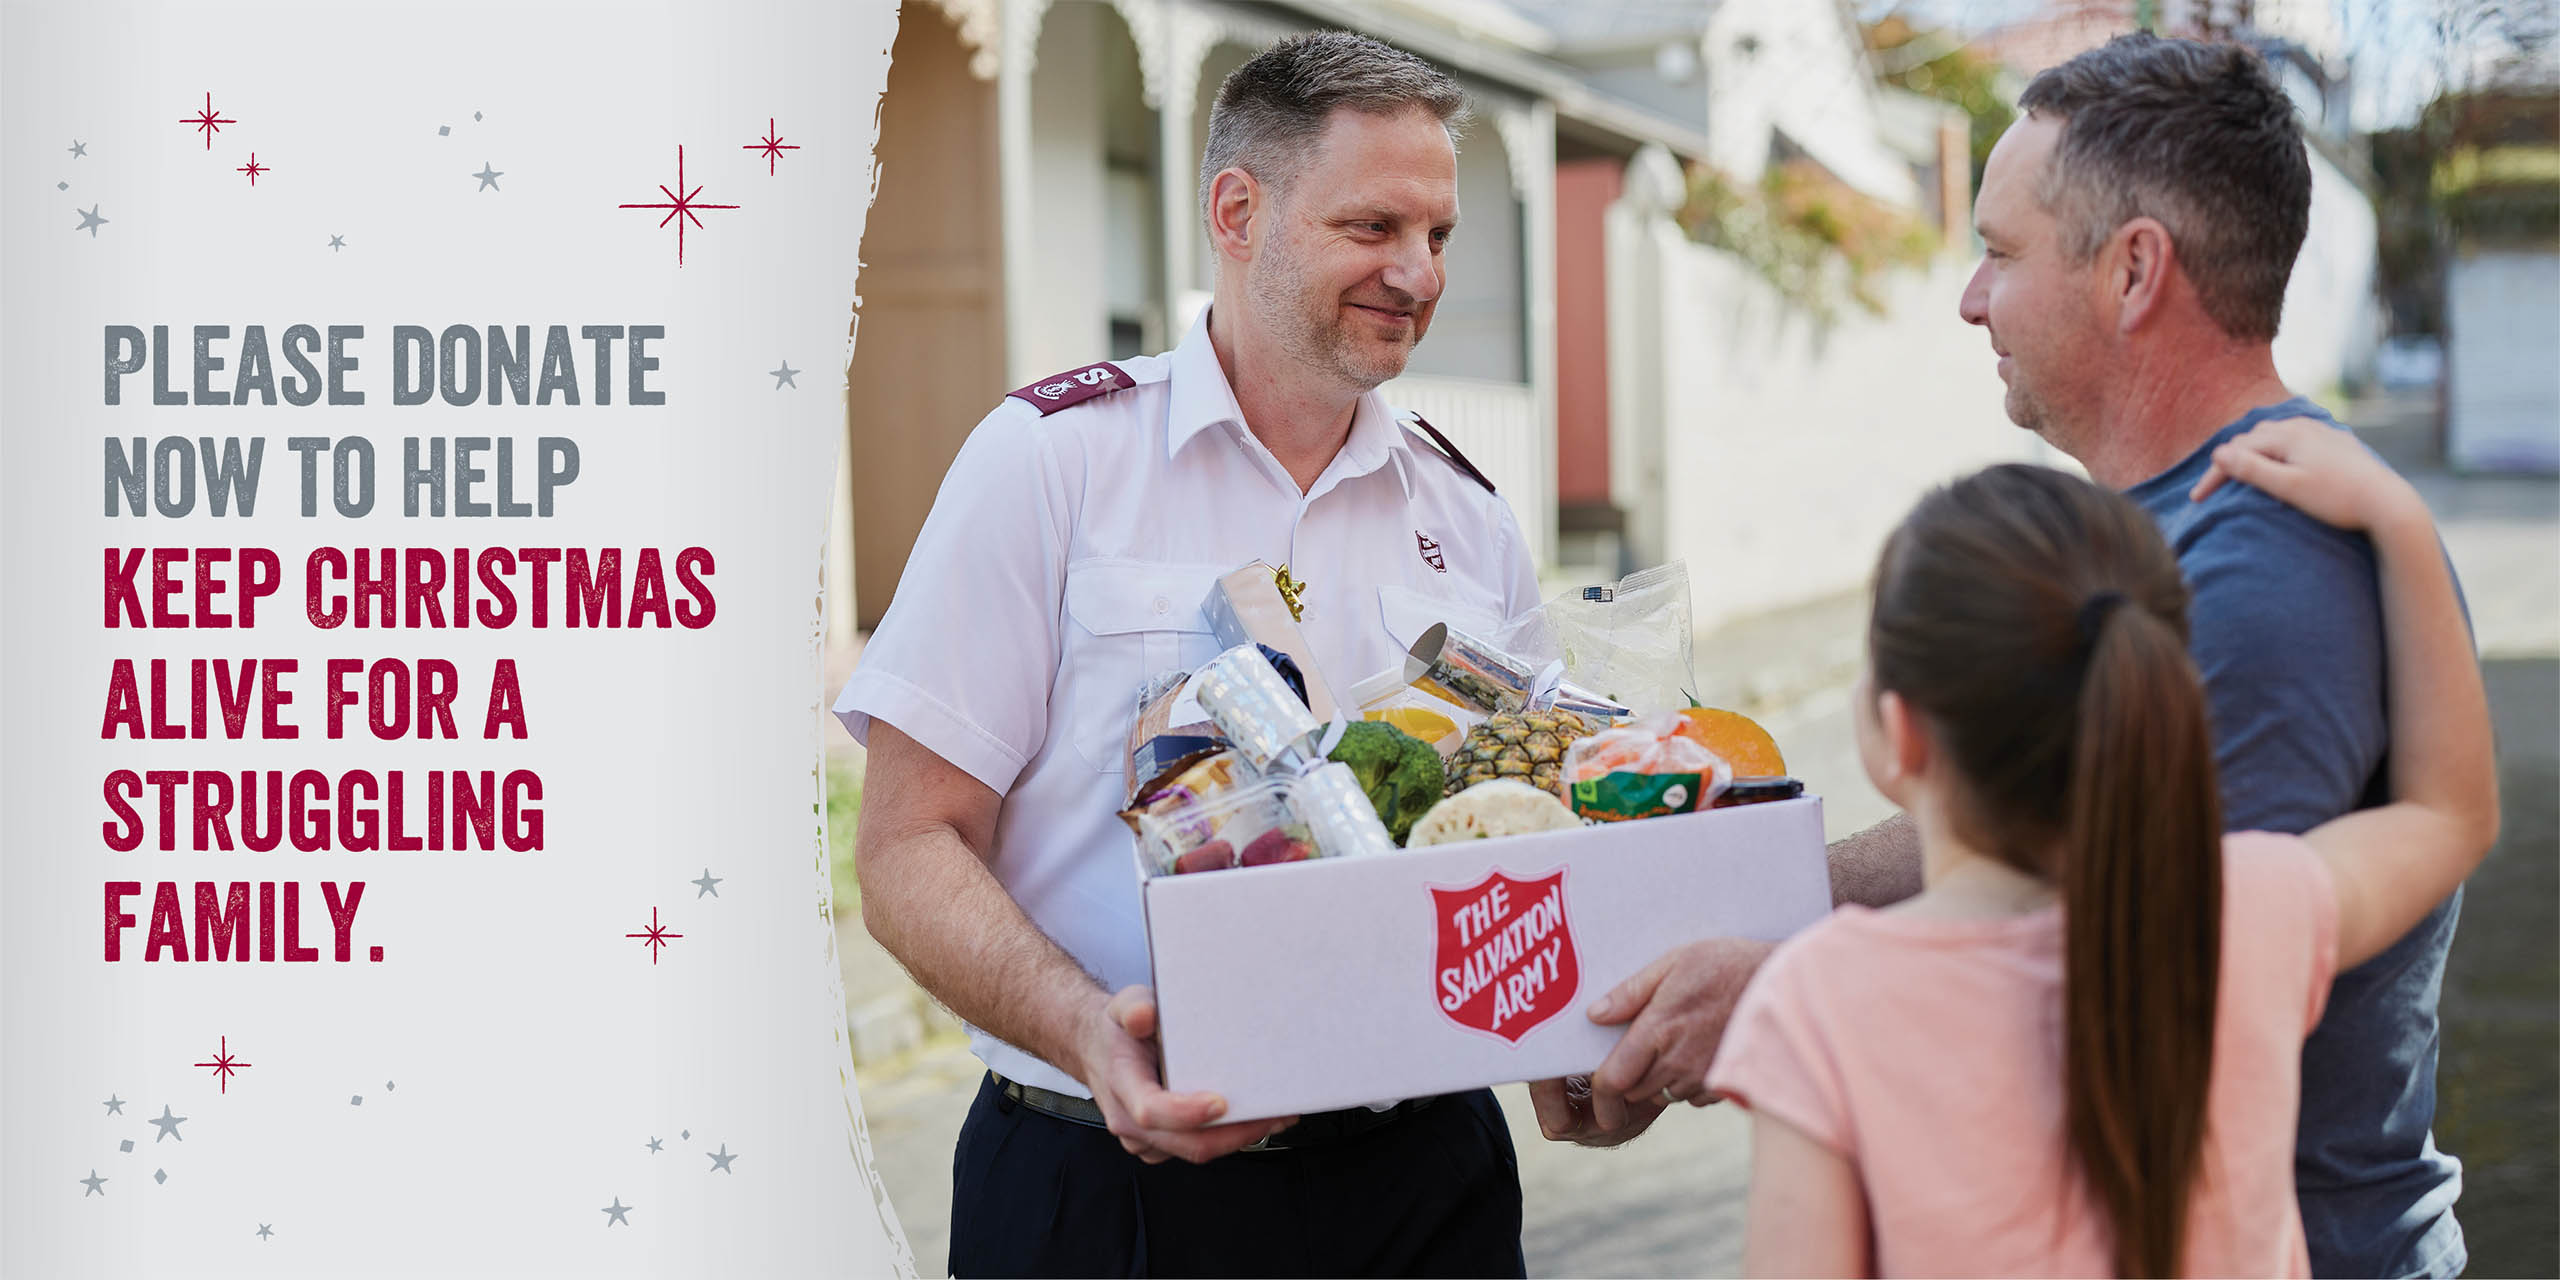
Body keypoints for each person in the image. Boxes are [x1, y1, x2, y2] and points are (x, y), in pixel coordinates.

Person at [1540, 33, 2479, 1278]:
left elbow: (2119, 970)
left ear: (2133, 270)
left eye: (1997, 251)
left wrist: (1775, 1000)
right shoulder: (2134, 547)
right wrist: (1709, 934)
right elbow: (2030, 845)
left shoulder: (2261, 575)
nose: (1969, 296)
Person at [835, 32, 1538, 1278]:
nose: (1418, 274)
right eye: (1374, 225)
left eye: (1439, 235)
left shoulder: (1467, 515)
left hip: (1426, 1184)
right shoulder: (1051, 462)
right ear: (1236, 211)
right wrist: (1089, 1032)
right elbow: (903, 845)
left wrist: (1574, 1031)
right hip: (1108, 1192)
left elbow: (1523, 829)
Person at [1707, 430, 2497, 1277]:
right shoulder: (2251, 911)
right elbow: (2450, 814)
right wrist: (2398, 517)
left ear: (1900, 737)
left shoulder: (1818, 1007)